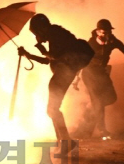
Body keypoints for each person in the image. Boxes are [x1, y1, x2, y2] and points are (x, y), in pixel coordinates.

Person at [18, 13, 93, 151]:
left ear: (41, 29)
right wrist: (29, 55)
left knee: (52, 109)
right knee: (52, 109)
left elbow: (54, 56)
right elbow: (49, 60)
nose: (37, 37)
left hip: (63, 74)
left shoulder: (55, 34)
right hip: (63, 73)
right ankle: (63, 141)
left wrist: (43, 51)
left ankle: (66, 142)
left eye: (36, 33)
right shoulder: (57, 33)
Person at [79, 19, 124, 139]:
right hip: (89, 74)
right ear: (97, 32)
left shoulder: (113, 41)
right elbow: (80, 60)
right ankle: (102, 130)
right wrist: (76, 78)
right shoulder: (91, 43)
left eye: (108, 32)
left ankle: (92, 110)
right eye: (103, 33)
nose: (106, 35)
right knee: (97, 102)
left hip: (102, 73)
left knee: (111, 97)